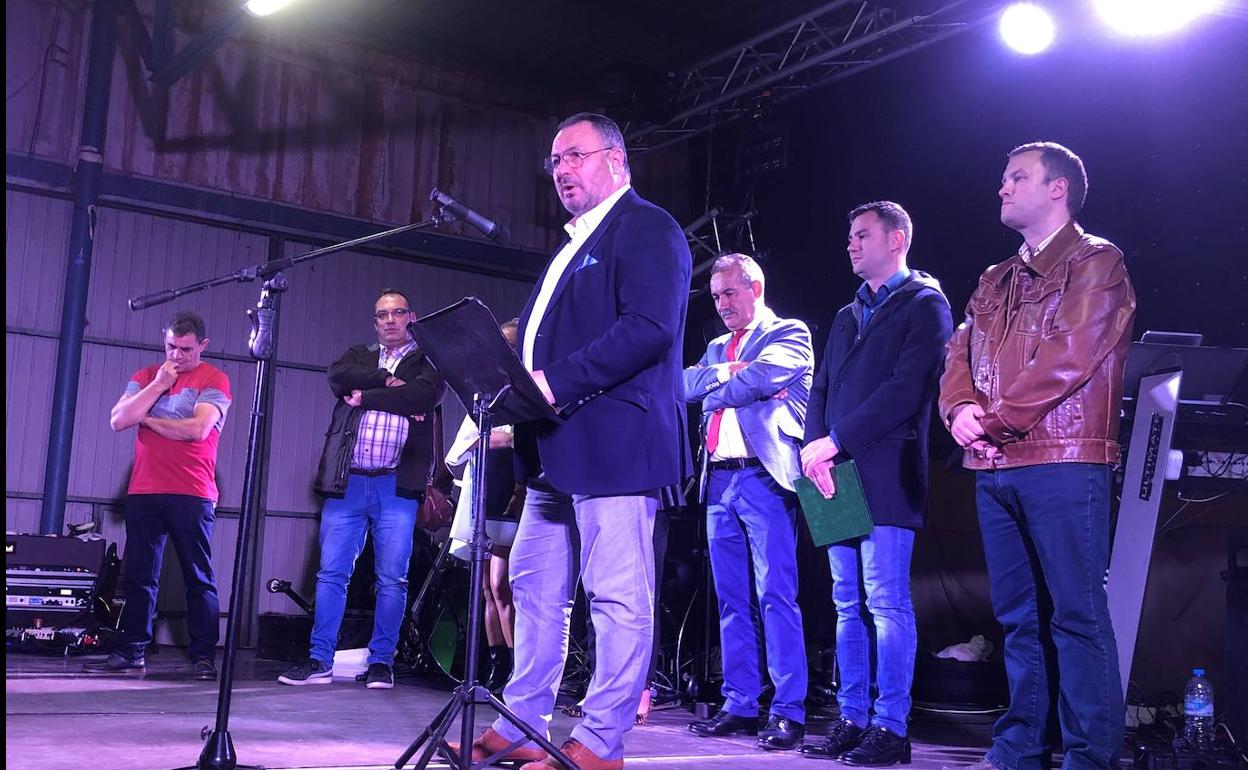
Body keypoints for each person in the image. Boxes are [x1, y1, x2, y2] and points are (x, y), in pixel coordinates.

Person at [465, 112, 692, 770]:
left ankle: (599, 743)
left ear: (616, 160)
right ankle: (519, 725)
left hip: (615, 445)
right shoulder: (570, 246)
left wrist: (553, 382)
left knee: (617, 598)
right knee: (535, 591)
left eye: (575, 155)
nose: (561, 170)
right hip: (553, 449)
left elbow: (649, 327)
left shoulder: (647, 227)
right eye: (555, 161)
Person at [938, 143, 1135, 770]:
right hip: (996, 465)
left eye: (1017, 177)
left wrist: (991, 421)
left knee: (1076, 616)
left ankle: (1089, 758)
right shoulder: (993, 278)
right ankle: (1019, 747)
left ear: (1058, 188)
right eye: (1003, 178)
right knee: (1018, 620)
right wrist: (958, 409)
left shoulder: (1096, 261)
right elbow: (959, 354)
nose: (1002, 187)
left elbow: (1069, 356)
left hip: (1063, 459)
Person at [798, 201, 953, 765]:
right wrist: (813, 450)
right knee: (846, 602)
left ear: (897, 239)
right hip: (832, 471)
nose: (852, 244)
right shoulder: (846, 314)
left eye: (863, 235)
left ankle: (891, 726)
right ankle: (852, 717)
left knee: (885, 601)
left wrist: (835, 440)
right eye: (850, 236)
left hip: (887, 469)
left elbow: (906, 389)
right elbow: (821, 386)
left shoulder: (925, 304)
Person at [278, 288, 446, 690]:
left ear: (411, 317)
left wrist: (366, 397)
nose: (390, 320)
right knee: (331, 574)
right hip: (348, 481)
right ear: (375, 322)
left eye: (398, 312)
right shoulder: (358, 355)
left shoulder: (428, 360)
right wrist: (389, 384)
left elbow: (424, 394)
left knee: (392, 578)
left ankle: (381, 662)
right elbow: (338, 375)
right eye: (382, 315)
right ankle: (319, 658)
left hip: (396, 484)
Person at [683, 253, 813, 752]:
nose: (721, 304)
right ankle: (740, 703)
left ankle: (787, 710)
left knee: (775, 594)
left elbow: (755, 381)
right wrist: (729, 373)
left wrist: (717, 386)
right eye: (716, 296)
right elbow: (681, 386)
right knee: (731, 599)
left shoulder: (789, 332)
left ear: (755, 288)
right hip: (719, 480)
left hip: (764, 477)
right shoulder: (718, 347)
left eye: (730, 293)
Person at [85, 311, 231, 681]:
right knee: (139, 577)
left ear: (202, 345)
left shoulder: (213, 379)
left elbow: (197, 430)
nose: (177, 356)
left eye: (185, 349)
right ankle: (131, 651)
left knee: (198, 577)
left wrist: (146, 418)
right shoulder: (146, 376)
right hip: (144, 490)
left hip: (192, 491)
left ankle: (203, 657)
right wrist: (156, 387)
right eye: (171, 347)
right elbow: (119, 419)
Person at [445, 317, 524, 692]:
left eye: (512, 345)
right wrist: (491, 438)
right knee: (487, 589)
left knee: (501, 584)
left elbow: (519, 440)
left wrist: (496, 438)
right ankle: (497, 665)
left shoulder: (529, 391)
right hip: (483, 492)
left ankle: (516, 668)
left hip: (513, 493)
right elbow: (464, 445)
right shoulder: (487, 392)